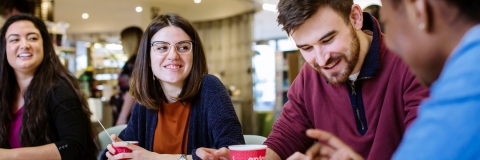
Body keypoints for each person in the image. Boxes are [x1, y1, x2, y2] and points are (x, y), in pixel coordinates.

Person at [290, 0, 480, 159]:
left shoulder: (468, 85)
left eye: (388, 23)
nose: (388, 43)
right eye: (306, 48)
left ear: (420, 11)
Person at [263, 0, 430, 159]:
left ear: (355, 17)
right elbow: (284, 138)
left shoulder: (411, 64)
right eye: (307, 48)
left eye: (328, 40)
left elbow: (429, 149)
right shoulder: (308, 78)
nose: (321, 61)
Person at [101, 13, 245, 160]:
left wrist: (154, 158)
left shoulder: (210, 87)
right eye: (162, 47)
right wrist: (115, 152)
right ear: (148, 58)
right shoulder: (146, 100)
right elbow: (115, 151)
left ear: (194, 54)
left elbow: (233, 153)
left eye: (183, 47)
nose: (173, 55)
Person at [0, 14, 97, 159]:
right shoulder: (4, 91)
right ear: (4, 48)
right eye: (14, 39)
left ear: (44, 45)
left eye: (32, 38)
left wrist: (10, 156)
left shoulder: (59, 90)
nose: (24, 45)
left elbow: (73, 146)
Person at [112, 26, 143, 126]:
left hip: (128, 112)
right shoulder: (138, 61)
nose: (121, 44)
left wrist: (122, 117)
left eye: (122, 41)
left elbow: (132, 90)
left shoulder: (134, 62)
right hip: (129, 111)